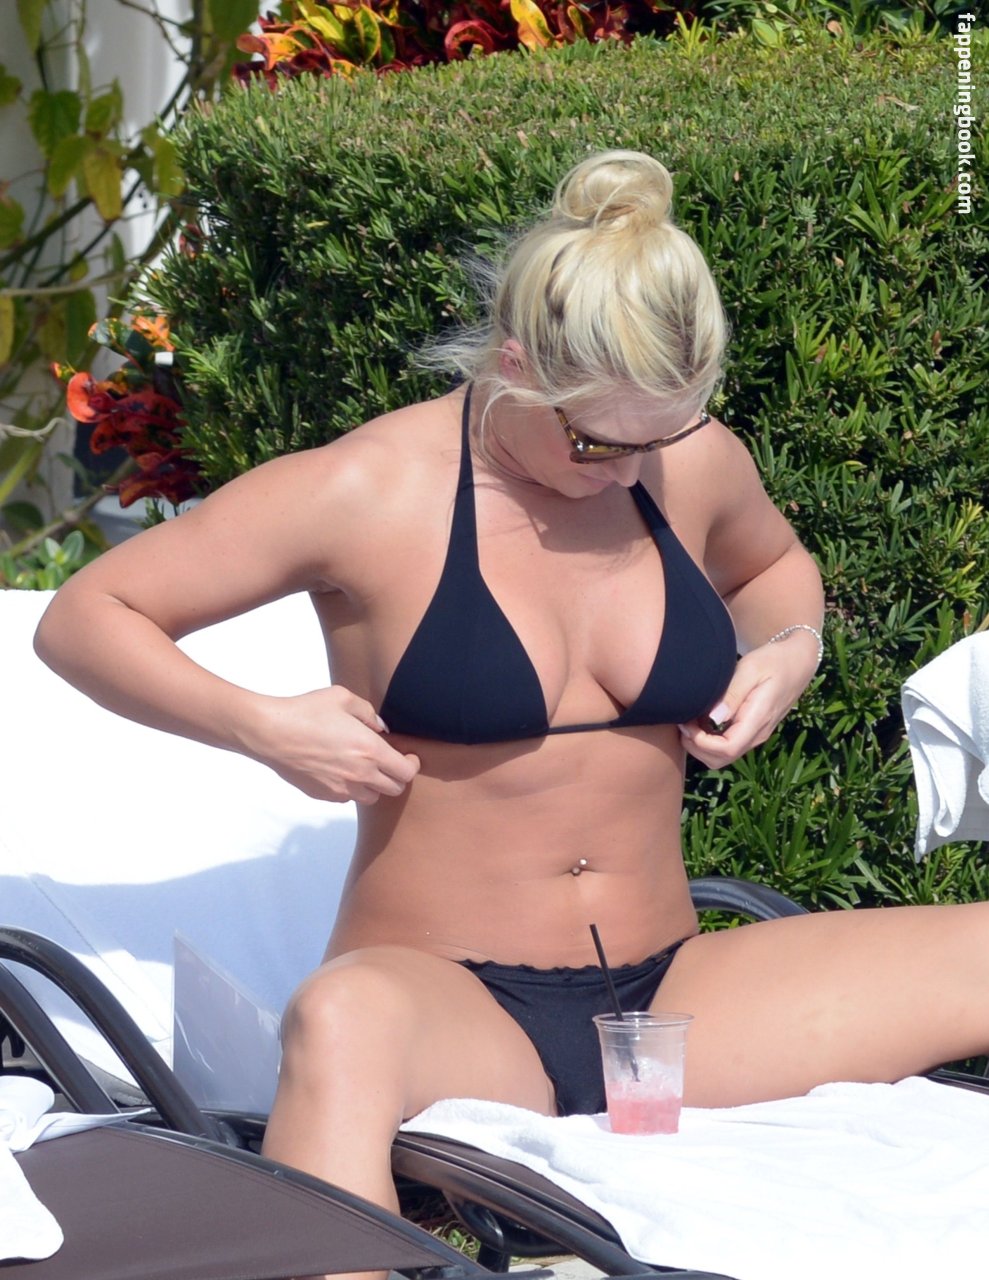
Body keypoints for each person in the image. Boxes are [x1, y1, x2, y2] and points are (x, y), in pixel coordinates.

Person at [35, 150, 989, 1228]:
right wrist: (263, 724)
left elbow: (771, 565)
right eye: (593, 440)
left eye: (657, 436)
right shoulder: (366, 490)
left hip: (667, 1006)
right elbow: (88, 618)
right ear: (514, 363)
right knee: (339, 1018)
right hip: (453, 1004)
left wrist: (788, 650)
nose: (624, 470)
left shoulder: (682, 460)